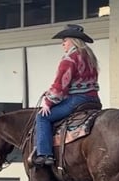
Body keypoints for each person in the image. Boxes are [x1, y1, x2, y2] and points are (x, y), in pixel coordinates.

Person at [32, 24, 101, 167]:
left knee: (42, 117)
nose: (62, 44)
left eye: (65, 40)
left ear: (73, 41)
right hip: (94, 100)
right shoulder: (90, 58)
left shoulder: (69, 59)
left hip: (77, 100)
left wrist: (48, 102)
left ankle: (45, 155)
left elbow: (60, 85)